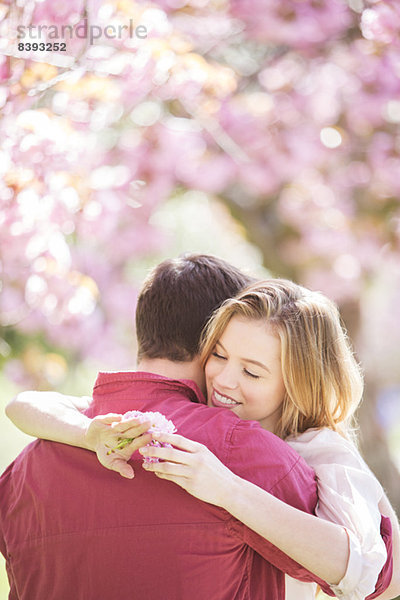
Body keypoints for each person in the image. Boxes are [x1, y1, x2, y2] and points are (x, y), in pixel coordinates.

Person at [5, 269, 399, 599]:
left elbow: (372, 574)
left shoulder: (320, 454)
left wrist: (226, 488)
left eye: (252, 371)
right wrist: (89, 435)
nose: (224, 380)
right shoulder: (155, 425)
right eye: (219, 355)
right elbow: (26, 405)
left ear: (298, 385)